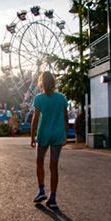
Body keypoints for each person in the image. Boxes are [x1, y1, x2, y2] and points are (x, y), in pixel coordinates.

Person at [30, 71, 68, 209]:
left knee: (39, 161)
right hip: (57, 134)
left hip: (44, 133)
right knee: (54, 165)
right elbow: (65, 117)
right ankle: (52, 197)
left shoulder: (39, 98)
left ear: (41, 82)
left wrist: (32, 136)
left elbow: (35, 119)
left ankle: (41, 190)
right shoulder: (62, 98)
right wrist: (65, 135)